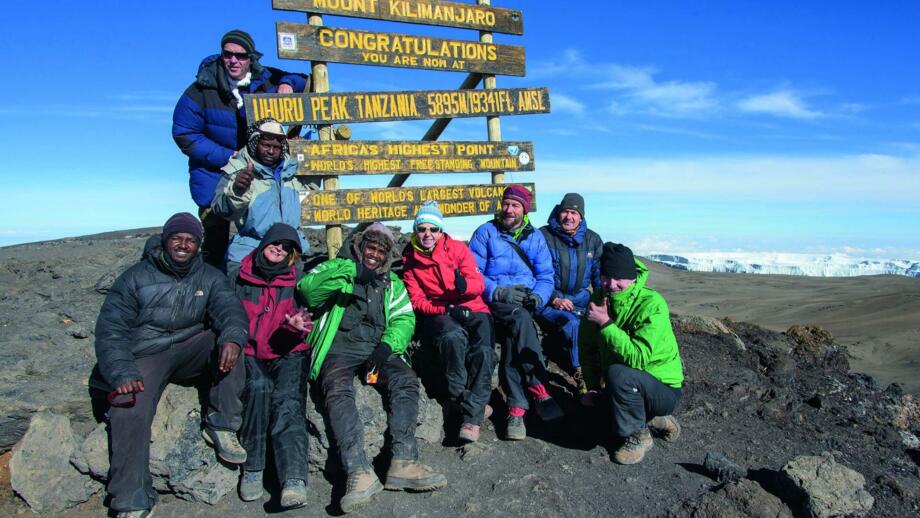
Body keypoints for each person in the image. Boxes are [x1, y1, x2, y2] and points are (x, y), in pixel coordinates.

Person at [91, 213, 249, 518]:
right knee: (128, 405)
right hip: (147, 352)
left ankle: (221, 423)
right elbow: (111, 330)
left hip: (191, 346)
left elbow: (230, 309)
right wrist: (122, 371)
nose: (183, 245)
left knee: (233, 345)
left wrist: (232, 337)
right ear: (165, 240)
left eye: (190, 240)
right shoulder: (135, 277)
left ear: (198, 245)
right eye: (177, 238)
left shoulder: (209, 276)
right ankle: (132, 498)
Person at [296, 223, 447, 513]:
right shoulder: (337, 267)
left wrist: (387, 347)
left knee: (406, 380)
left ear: (388, 255)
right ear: (360, 246)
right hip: (337, 350)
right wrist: (352, 272)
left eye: (381, 250)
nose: (375, 254)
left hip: (376, 349)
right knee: (337, 390)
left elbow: (404, 319)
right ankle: (358, 471)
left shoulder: (392, 282)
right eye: (371, 247)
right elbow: (308, 291)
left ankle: (402, 461)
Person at [172, 29, 309, 268]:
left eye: (241, 56)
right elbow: (184, 133)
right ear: (221, 55)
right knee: (214, 242)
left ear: (251, 58)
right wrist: (227, 156)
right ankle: (213, 292)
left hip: (261, 176)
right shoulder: (200, 90)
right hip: (213, 176)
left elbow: (306, 79)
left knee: (258, 237)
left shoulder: (265, 80)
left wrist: (287, 83)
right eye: (228, 54)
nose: (234, 60)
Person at [578, 243, 684, 465]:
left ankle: (640, 435)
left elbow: (638, 358)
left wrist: (606, 323)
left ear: (633, 277)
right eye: (606, 277)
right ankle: (657, 421)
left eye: (619, 278)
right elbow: (587, 348)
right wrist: (593, 386)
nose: (612, 284)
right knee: (592, 407)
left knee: (620, 374)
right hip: (624, 384)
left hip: (662, 387)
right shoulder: (598, 299)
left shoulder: (652, 304)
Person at [468, 185, 560, 441]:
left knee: (511, 339)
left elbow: (545, 276)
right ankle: (539, 389)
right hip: (494, 301)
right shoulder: (486, 232)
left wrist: (538, 298)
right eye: (506, 203)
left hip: (523, 302)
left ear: (525, 209)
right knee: (519, 319)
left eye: (515, 205)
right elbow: (473, 273)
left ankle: (516, 410)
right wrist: (498, 292)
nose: (509, 209)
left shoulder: (534, 237)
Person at [401, 202, 495, 443]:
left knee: (484, 351)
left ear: (441, 231)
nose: (428, 234)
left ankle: (466, 406)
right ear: (415, 231)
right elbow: (417, 300)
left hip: (472, 307)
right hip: (440, 312)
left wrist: (464, 287)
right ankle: (473, 416)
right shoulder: (410, 259)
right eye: (422, 229)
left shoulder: (457, 249)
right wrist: (445, 308)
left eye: (433, 229)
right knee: (452, 339)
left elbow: (478, 283)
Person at [232, 223, 311, 508]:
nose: (279, 249)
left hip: (287, 350)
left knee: (288, 401)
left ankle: (293, 479)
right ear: (264, 242)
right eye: (276, 243)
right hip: (250, 350)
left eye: (287, 247)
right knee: (258, 388)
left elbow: (302, 318)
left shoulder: (296, 279)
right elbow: (227, 315)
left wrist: (296, 327)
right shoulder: (238, 275)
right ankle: (253, 467)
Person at [211, 117, 315, 273]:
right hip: (250, 256)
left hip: (290, 254)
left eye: (276, 147)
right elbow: (221, 210)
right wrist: (237, 191)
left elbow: (313, 184)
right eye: (266, 145)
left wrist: (304, 151)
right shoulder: (237, 169)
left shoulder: (292, 170)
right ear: (255, 143)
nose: (271, 151)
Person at [537, 193, 603, 395]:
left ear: (581, 216)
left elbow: (598, 275)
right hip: (549, 301)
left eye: (574, 212)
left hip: (581, 300)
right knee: (574, 324)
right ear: (558, 212)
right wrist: (554, 298)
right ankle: (581, 372)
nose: (569, 216)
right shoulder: (543, 237)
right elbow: (534, 274)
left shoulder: (592, 240)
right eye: (565, 211)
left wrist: (603, 301)